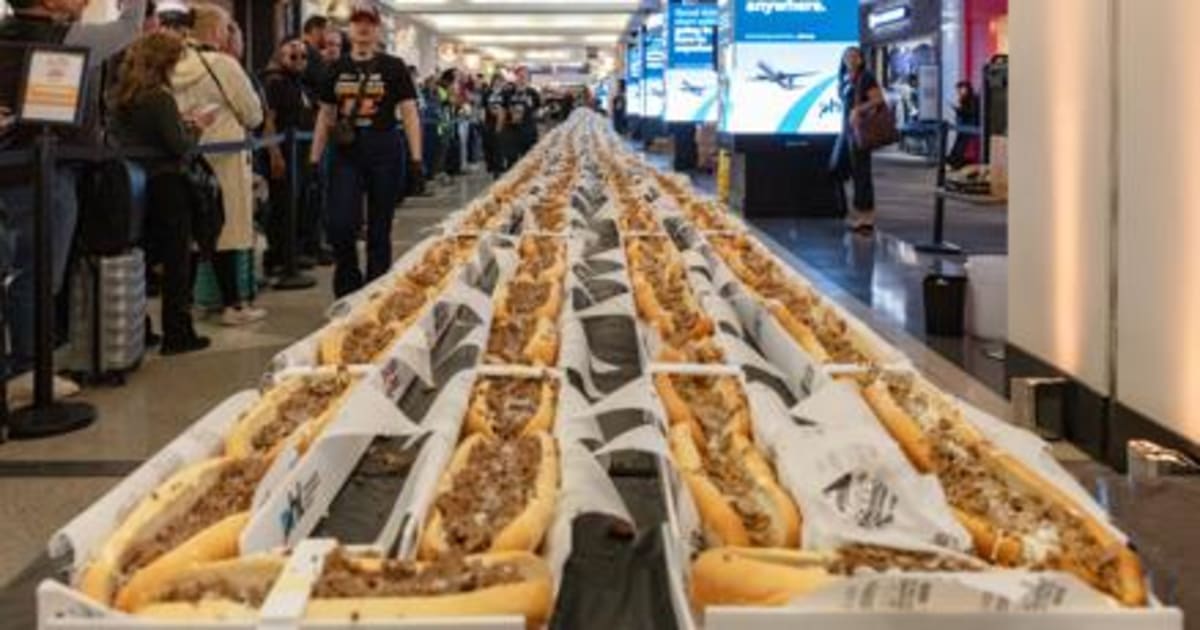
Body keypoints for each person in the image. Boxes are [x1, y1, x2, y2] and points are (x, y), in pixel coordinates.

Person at [0, 0, 148, 401]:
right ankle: (28, 369)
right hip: (50, 169)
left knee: (16, 268)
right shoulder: (67, 38)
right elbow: (129, 28)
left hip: (10, 166)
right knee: (39, 271)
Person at [309, 3, 424, 298]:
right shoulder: (335, 68)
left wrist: (416, 158)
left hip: (384, 147)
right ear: (349, 29)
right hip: (347, 151)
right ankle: (348, 281)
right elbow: (325, 115)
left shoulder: (393, 67)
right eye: (357, 22)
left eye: (369, 23)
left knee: (379, 225)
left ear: (377, 29)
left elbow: (409, 113)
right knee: (340, 224)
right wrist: (314, 158)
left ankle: (376, 289)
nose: (362, 28)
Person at [109, 32, 212, 355]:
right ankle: (178, 333)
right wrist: (197, 127)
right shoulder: (159, 97)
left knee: (143, 258)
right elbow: (179, 147)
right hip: (168, 184)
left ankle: (140, 330)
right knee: (176, 261)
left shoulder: (119, 96)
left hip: (132, 184)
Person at [171, 3, 266, 325]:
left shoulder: (171, 63)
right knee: (227, 230)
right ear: (214, 30)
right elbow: (252, 112)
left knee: (194, 233)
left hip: (187, 157)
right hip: (225, 158)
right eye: (226, 28)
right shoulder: (224, 65)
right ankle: (232, 305)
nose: (229, 34)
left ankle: (190, 305)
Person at [260, 37, 316, 275]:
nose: (299, 60)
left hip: (300, 152)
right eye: (293, 56)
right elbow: (268, 119)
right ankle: (278, 257)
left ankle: (292, 252)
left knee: (297, 203)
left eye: (304, 56)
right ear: (280, 55)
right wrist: (274, 155)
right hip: (283, 151)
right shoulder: (274, 82)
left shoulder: (298, 83)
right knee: (282, 205)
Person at [830, 45, 884, 232]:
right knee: (837, 167)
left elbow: (878, 100)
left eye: (854, 56)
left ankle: (866, 217)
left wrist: (858, 110)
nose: (851, 60)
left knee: (862, 172)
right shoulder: (845, 78)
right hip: (847, 130)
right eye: (847, 56)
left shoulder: (866, 77)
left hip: (860, 131)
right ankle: (851, 210)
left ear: (861, 59)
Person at [947, 80, 981, 170]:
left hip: (971, 125)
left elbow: (972, 112)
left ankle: (955, 161)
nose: (958, 92)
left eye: (960, 89)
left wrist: (959, 110)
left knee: (961, 143)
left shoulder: (973, 98)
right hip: (965, 125)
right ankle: (953, 160)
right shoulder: (964, 98)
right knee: (959, 141)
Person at [509, 66, 541, 158]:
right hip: (512, 131)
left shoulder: (533, 93)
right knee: (512, 158)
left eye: (524, 76)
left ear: (528, 78)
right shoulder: (509, 92)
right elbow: (504, 108)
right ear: (516, 77)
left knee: (528, 158)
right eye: (520, 76)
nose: (522, 78)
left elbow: (537, 111)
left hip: (528, 130)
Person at [300, 14, 329, 97]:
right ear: (316, 31)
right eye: (327, 31)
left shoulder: (305, 50)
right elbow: (323, 86)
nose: (328, 35)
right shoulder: (312, 54)